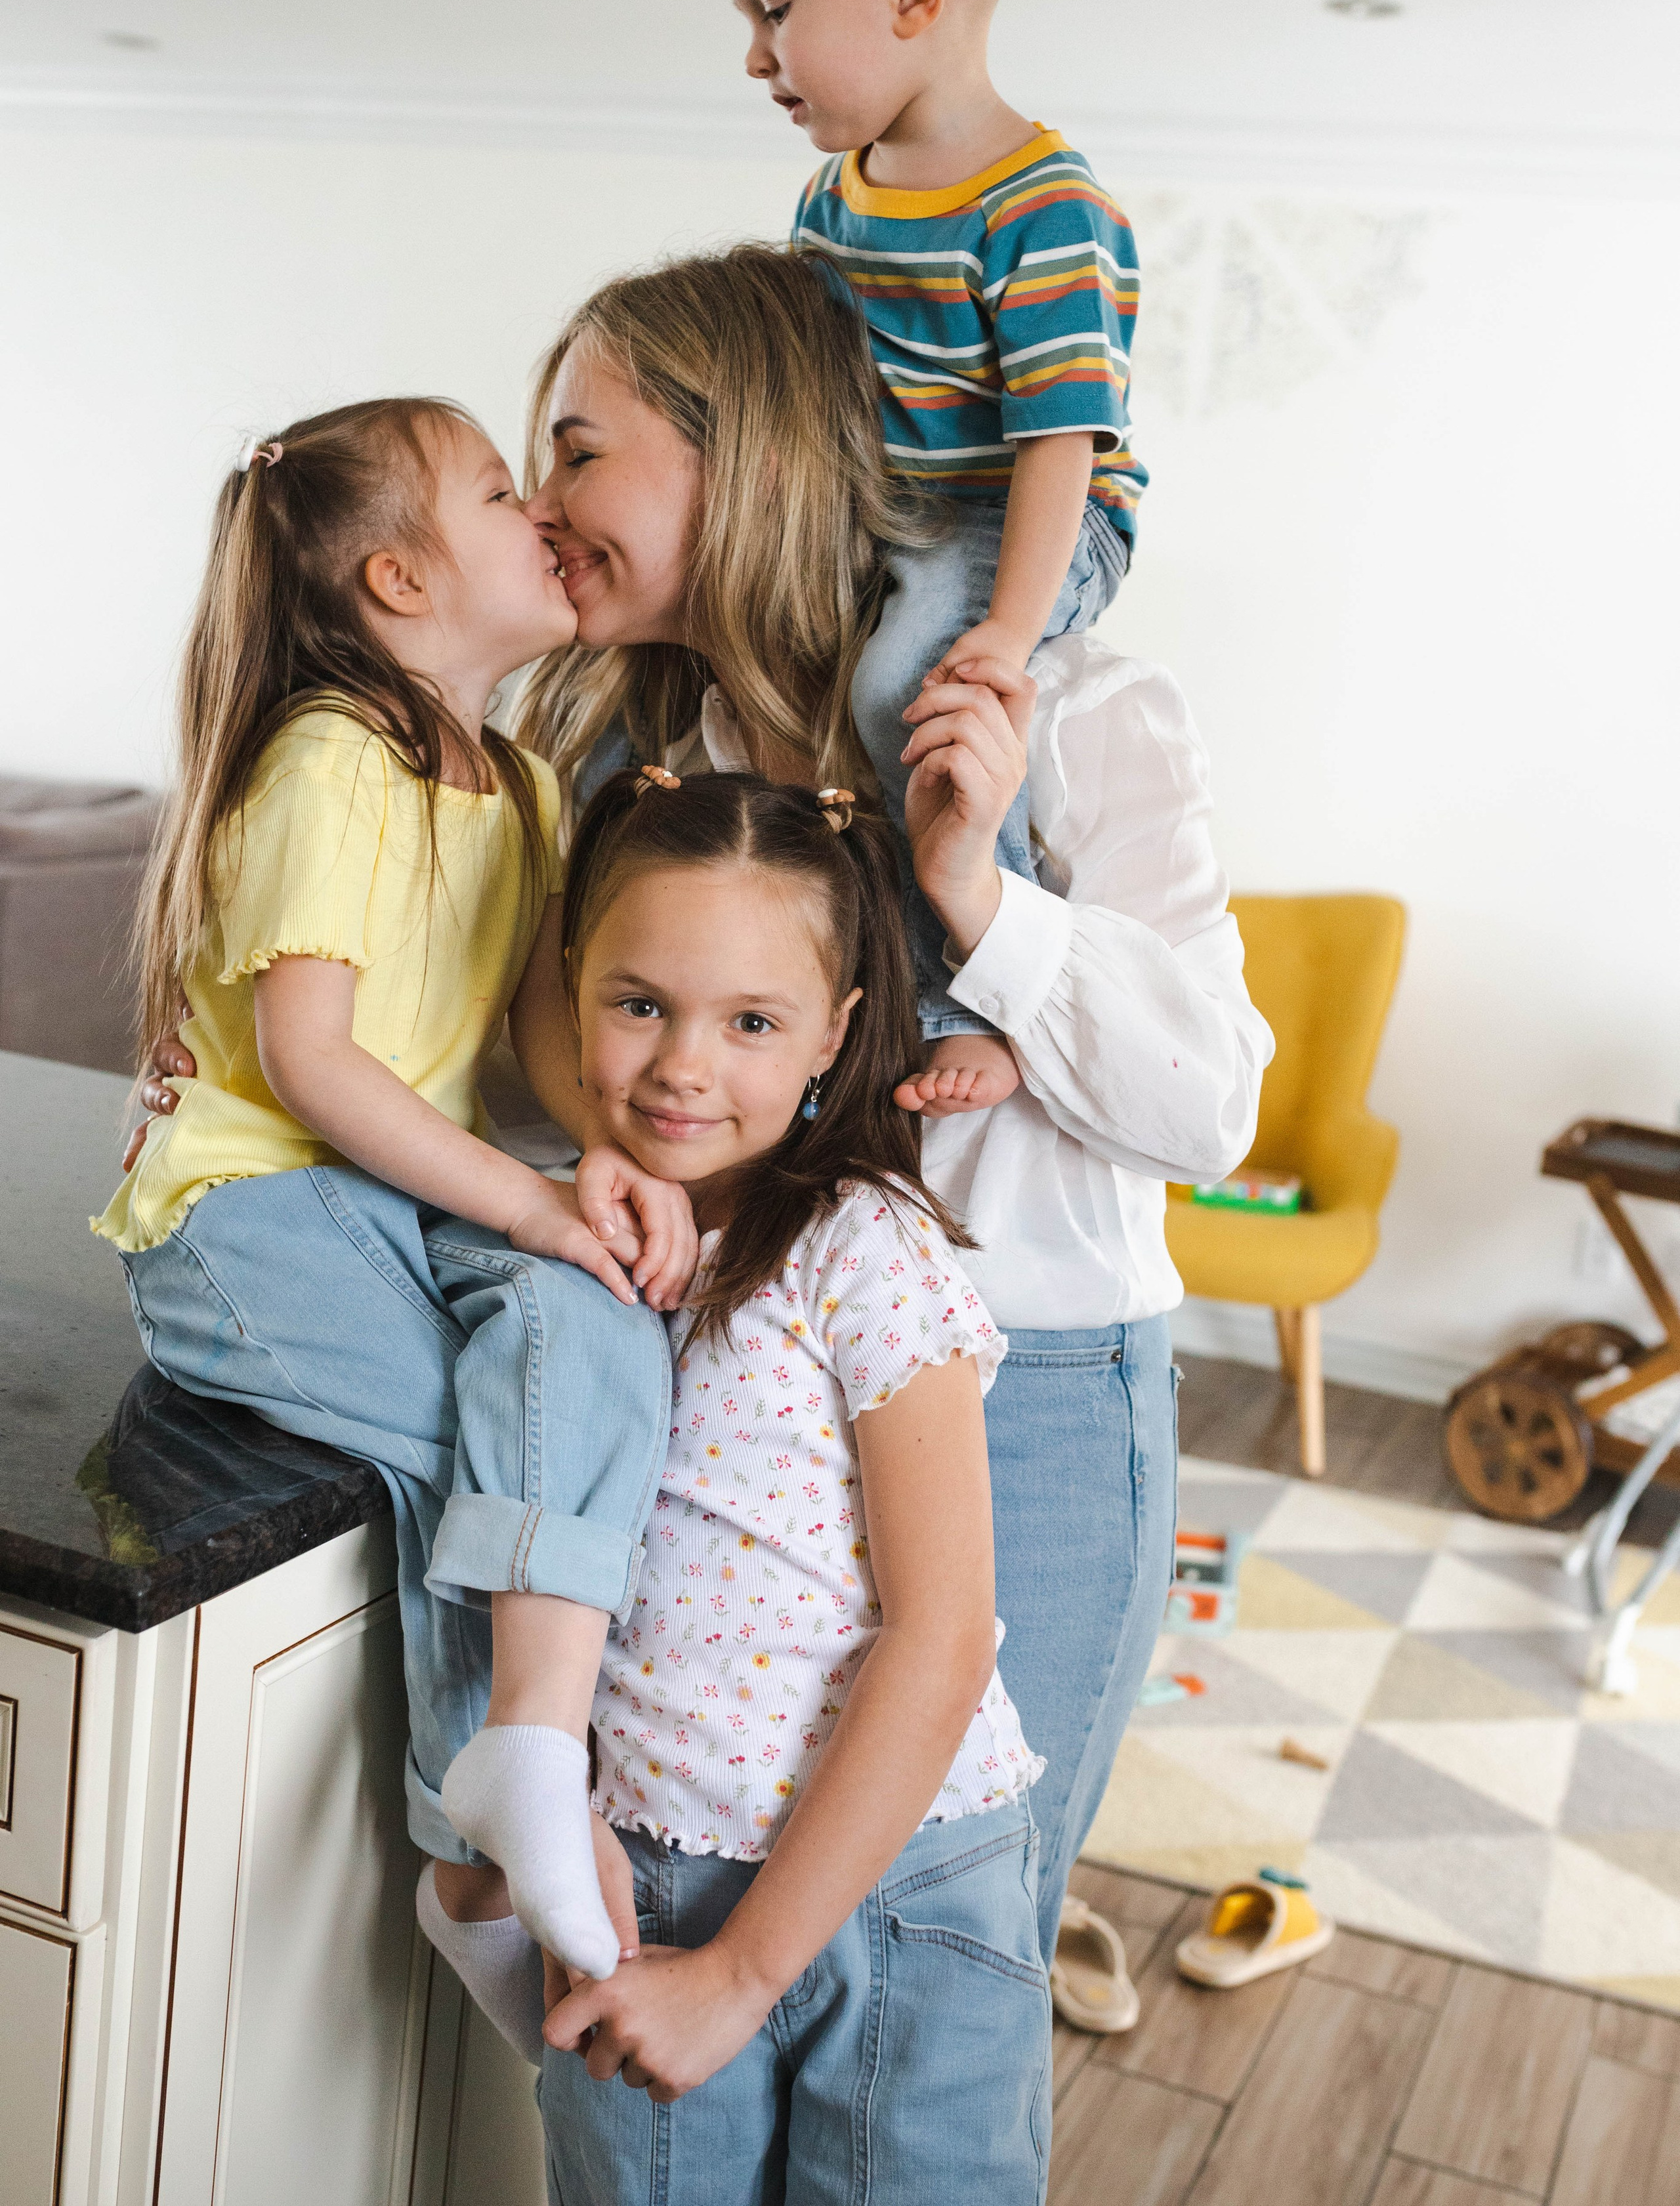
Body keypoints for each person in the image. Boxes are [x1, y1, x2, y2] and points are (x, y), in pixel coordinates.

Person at [135, 243, 1269, 2051]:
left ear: (735, 456)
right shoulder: (614, 761)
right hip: (710, 1390)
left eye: (573, 452)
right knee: (676, 1966)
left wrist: (974, 897)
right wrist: (252, 1048)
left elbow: (1216, 1106)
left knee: (937, 1975)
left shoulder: (1067, 707)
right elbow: (516, 1079)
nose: (549, 505)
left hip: (1023, 1397)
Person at [97, 397, 699, 2017]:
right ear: (400, 584)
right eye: (505, 492)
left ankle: (493, 1816)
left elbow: (527, 1042)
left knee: (591, 1332)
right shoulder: (329, 757)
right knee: (461, 1425)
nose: (542, 513)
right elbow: (307, 1062)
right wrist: (529, 1201)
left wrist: (600, 1166)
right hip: (245, 1214)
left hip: (384, 1191)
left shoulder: (519, 781)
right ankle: (494, 1808)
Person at [536, 765, 1049, 2197]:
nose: (683, 1064)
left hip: (893, 1881)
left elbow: (943, 1637)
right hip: (636, 1878)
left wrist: (748, 1969)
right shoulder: (552, 1238)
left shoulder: (861, 1248)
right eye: (638, 1002)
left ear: (829, 1035)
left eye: (749, 1023)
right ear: (572, 986)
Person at [707, 0, 1148, 1126]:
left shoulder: (1043, 208)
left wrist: (1003, 642)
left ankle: (971, 993)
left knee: (916, 679)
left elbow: (1059, 448)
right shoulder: (831, 201)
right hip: (886, 507)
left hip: (1018, 516)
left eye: (774, 11)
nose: (752, 57)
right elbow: (812, 393)